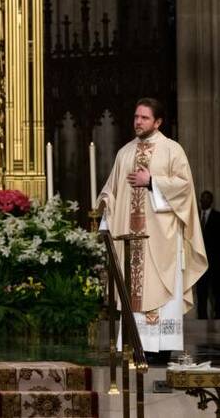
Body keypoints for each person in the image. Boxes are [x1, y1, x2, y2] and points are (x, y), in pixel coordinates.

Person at [97, 98, 207, 361]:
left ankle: (161, 352)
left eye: (144, 118)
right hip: (131, 241)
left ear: (158, 122)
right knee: (132, 289)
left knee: (161, 290)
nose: (138, 122)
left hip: (162, 241)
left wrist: (152, 182)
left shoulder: (172, 150)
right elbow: (112, 190)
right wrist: (104, 205)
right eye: (136, 117)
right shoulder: (124, 153)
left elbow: (184, 187)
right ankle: (136, 348)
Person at [196, 191, 220, 319]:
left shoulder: (217, 217)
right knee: (201, 293)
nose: (203, 201)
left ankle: (218, 318)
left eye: (206, 199)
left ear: (211, 201)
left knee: (216, 292)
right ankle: (201, 318)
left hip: (215, 263)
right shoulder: (195, 216)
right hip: (199, 263)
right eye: (202, 198)